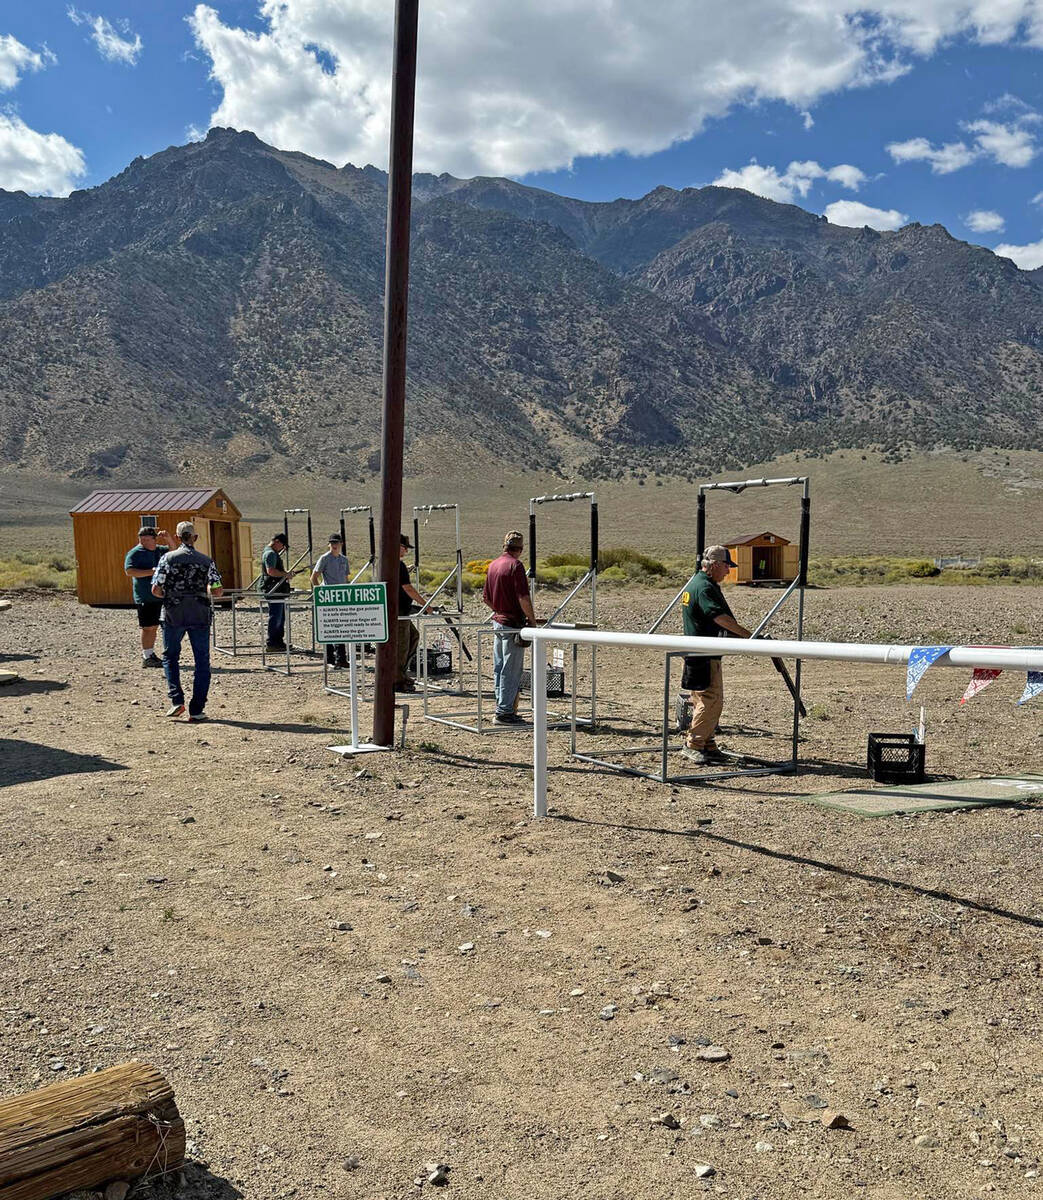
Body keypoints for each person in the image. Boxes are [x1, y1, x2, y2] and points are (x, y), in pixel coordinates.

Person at [680, 545, 751, 764]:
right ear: (715, 564)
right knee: (711, 700)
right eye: (727, 566)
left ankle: (707, 743)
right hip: (705, 654)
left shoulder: (697, 583)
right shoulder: (705, 587)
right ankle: (694, 744)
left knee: (703, 699)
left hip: (698, 653)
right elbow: (719, 617)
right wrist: (748, 636)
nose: (728, 571)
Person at [151, 521, 222, 721]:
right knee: (202, 661)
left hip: (174, 614)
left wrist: (172, 595)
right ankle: (197, 709)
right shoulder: (207, 561)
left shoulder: (167, 559)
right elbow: (217, 590)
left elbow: (156, 590)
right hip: (199, 614)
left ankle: (177, 701)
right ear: (195, 538)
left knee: (170, 657)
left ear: (177, 536)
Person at [482, 530, 537, 724]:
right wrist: (532, 620)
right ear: (520, 549)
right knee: (511, 669)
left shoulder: (493, 565)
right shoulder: (515, 566)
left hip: (498, 621)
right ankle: (505, 712)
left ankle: (501, 706)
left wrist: (499, 609)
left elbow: (486, 598)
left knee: (499, 666)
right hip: (512, 624)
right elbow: (523, 597)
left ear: (504, 546)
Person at [124, 526, 176, 667]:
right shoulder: (135, 553)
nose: (144, 542)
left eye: (147, 539)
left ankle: (151, 654)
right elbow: (130, 571)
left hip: (160, 596)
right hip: (145, 596)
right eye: (142, 539)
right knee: (148, 627)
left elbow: (173, 551)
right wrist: (151, 572)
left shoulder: (159, 550)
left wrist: (169, 538)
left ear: (154, 539)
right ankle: (147, 657)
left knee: (155, 626)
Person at [311, 533, 350, 668]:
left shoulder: (344, 560)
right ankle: (330, 658)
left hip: (341, 597)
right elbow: (314, 577)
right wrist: (320, 593)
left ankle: (341, 658)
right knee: (329, 626)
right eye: (332, 543)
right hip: (328, 596)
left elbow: (346, 578)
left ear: (341, 544)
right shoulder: (324, 558)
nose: (334, 545)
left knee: (341, 626)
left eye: (336, 543)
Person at [396, 533, 429, 693]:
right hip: (399, 612)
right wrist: (426, 605)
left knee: (413, 637)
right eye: (404, 548)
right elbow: (407, 588)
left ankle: (401, 674)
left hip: (399, 610)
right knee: (402, 645)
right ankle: (398, 680)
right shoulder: (398, 565)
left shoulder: (391, 564)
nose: (406, 551)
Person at [261, 532, 293, 649]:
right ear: (277, 542)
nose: (282, 549)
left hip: (275, 588)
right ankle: (272, 642)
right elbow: (271, 571)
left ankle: (278, 641)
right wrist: (285, 574)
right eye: (283, 545)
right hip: (273, 589)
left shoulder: (269, 552)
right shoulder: (270, 554)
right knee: (276, 616)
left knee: (280, 616)